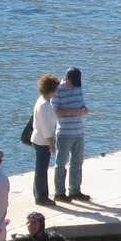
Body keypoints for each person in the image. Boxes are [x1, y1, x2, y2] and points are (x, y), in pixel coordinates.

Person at [52, 67, 89, 202]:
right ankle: (59, 193)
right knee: (61, 163)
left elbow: (83, 104)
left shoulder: (78, 88)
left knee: (77, 162)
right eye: (72, 83)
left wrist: (84, 110)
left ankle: (75, 190)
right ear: (66, 79)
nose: (74, 86)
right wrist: (72, 111)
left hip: (79, 131)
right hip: (64, 132)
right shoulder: (58, 91)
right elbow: (55, 111)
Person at [29, 74, 60, 206]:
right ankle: (41, 196)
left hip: (38, 139)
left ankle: (39, 194)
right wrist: (51, 144)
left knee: (40, 168)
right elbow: (46, 127)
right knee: (41, 169)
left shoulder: (41, 101)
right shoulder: (45, 106)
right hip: (42, 141)